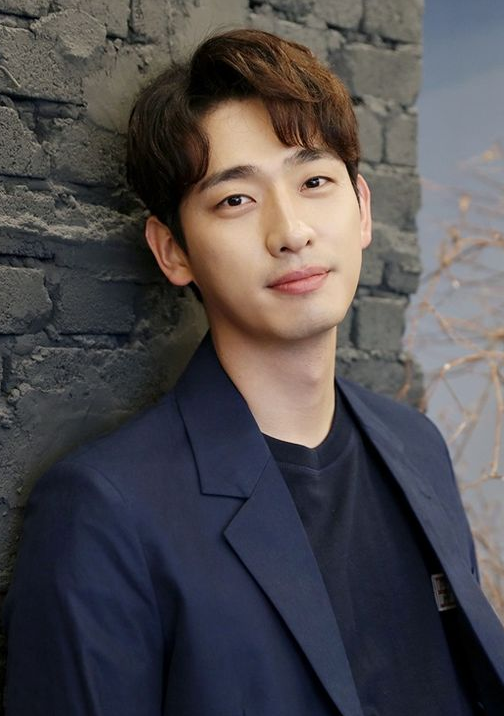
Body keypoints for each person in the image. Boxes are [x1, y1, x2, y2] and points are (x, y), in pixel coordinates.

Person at [2, 28, 504, 716]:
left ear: (362, 210)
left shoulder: (418, 447)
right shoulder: (105, 514)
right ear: (173, 250)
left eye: (314, 181)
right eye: (235, 199)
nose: (291, 231)